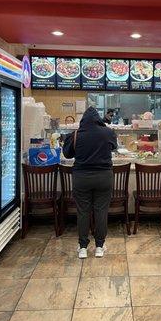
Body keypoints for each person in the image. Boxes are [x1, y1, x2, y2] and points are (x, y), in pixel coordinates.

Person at [63, 106, 117, 259]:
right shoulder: (108, 132)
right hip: (104, 177)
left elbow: (67, 154)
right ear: (98, 119)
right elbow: (114, 147)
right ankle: (99, 247)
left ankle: (83, 248)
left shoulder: (74, 135)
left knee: (83, 212)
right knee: (101, 211)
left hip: (81, 178)